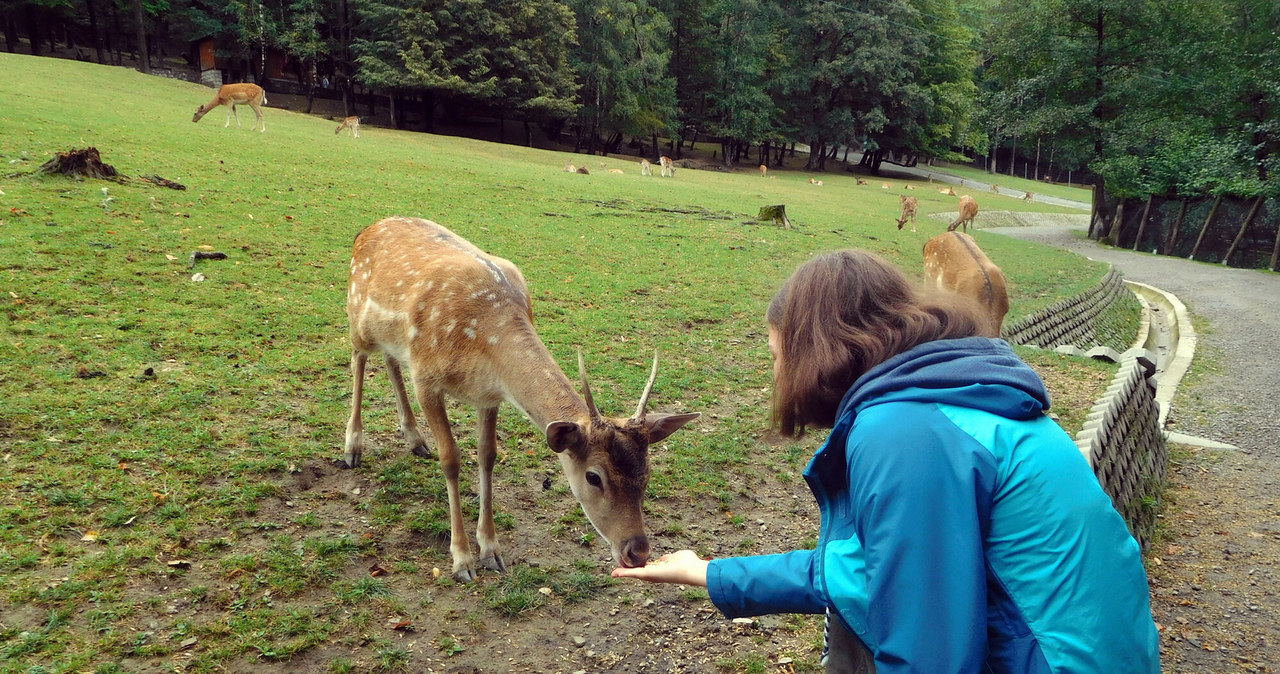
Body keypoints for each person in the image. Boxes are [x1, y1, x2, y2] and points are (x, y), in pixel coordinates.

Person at [613, 250, 1160, 673]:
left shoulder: (903, 431)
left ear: (815, 348)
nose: (774, 376)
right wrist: (710, 574)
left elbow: (930, 650)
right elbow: (880, 570)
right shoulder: (950, 395)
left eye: (777, 356)